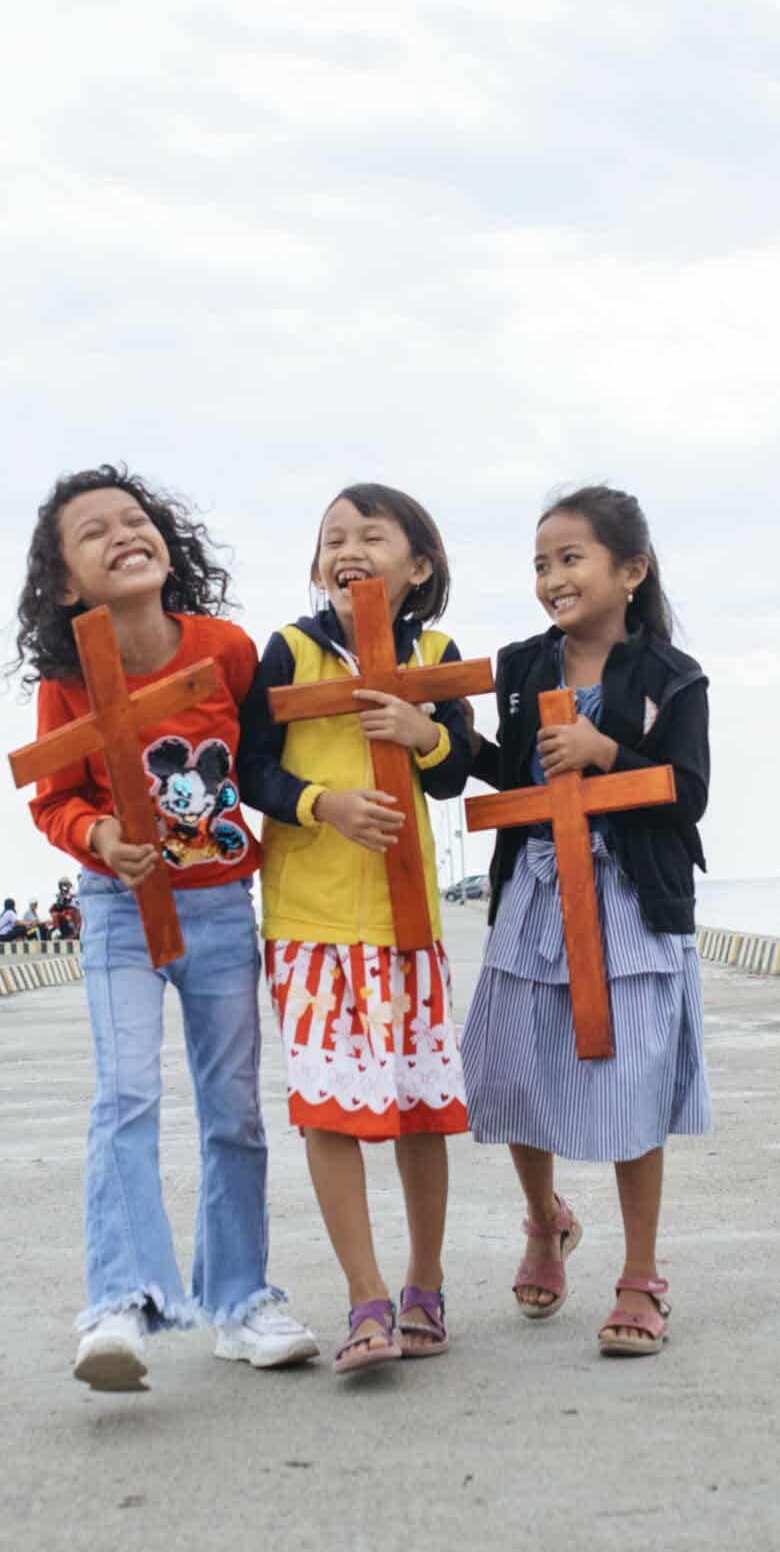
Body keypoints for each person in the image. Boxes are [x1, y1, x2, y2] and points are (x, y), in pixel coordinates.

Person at [13, 463, 319, 1390]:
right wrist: (98, 832)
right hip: (116, 911)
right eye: (93, 532)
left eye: (134, 519)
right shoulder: (69, 680)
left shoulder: (224, 649)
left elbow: (268, 759)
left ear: (166, 539)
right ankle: (118, 1301)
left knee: (235, 1111)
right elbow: (52, 794)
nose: (122, 535)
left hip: (224, 906)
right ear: (66, 580)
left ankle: (239, 1299)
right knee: (127, 1098)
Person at [458, 485, 711, 1358]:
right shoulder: (525, 667)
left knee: (632, 1084)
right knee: (514, 1067)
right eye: (540, 563)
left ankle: (641, 1274)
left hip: (632, 903)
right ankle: (544, 1218)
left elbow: (688, 790)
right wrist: (430, 738)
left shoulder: (671, 677)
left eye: (572, 558)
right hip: (535, 889)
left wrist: (607, 752)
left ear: (630, 571)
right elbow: (499, 767)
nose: (553, 577)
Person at [239, 483, 476, 1374]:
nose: (348, 549)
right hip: (310, 918)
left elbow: (453, 778)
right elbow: (250, 769)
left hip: (408, 919)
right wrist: (322, 803)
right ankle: (366, 1296)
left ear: (419, 565)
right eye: (333, 537)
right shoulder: (290, 650)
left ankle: (425, 1280)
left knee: (419, 1109)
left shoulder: (441, 654)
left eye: (370, 536)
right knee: (329, 1112)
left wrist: (425, 732)